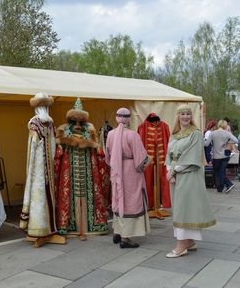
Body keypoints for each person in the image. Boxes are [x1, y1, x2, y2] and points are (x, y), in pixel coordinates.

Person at [165, 104, 216, 258]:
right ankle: (190, 241)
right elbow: (169, 155)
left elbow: (192, 158)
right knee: (181, 207)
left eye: (188, 113)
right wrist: (170, 171)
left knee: (185, 208)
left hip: (189, 175)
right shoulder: (174, 134)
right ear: (178, 116)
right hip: (176, 176)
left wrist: (173, 171)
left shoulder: (195, 134)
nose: (185, 116)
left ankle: (181, 245)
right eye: (182, 114)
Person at [54, 98, 110, 239]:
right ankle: (71, 227)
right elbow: (58, 153)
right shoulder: (63, 129)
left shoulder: (90, 130)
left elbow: (98, 151)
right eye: (74, 121)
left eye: (80, 121)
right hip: (69, 169)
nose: (77, 125)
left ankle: (89, 227)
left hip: (88, 170)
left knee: (89, 195)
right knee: (69, 196)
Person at [106, 108, 151, 248]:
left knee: (119, 199)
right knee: (132, 202)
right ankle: (126, 238)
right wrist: (147, 162)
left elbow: (108, 156)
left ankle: (118, 232)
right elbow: (141, 160)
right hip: (131, 171)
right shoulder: (133, 135)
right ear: (129, 119)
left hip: (117, 171)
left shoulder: (111, 134)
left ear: (116, 118)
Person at [19, 93, 58, 238]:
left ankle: (38, 229)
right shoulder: (50, 122)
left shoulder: (34, 123)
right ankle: (48, 228)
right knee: (45, 195)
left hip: (38, 167)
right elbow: (53, 144)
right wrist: (53, 161)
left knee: (38, 195)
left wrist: (30, 167)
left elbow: (32, 147)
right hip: (48, 165)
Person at [137, 113, 171, 218]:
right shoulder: (142, 127)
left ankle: (161, 205)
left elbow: (169, 141)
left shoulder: (164, 126)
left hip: (162, 158)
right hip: (148, 160)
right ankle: (150, 205)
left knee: (164, 181)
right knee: (147, 181)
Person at [204, 120, 238, 193]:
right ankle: (224, 186)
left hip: (216, 155)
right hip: (225, 154)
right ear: (225, 125)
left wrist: (201, 141)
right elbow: (236, 140)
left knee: (216, 172)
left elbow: (206, 144)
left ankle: (222, 187)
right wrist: (228, 143)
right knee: (222, 171)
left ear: (218, 125)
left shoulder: (213, 133)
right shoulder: (227, 133)